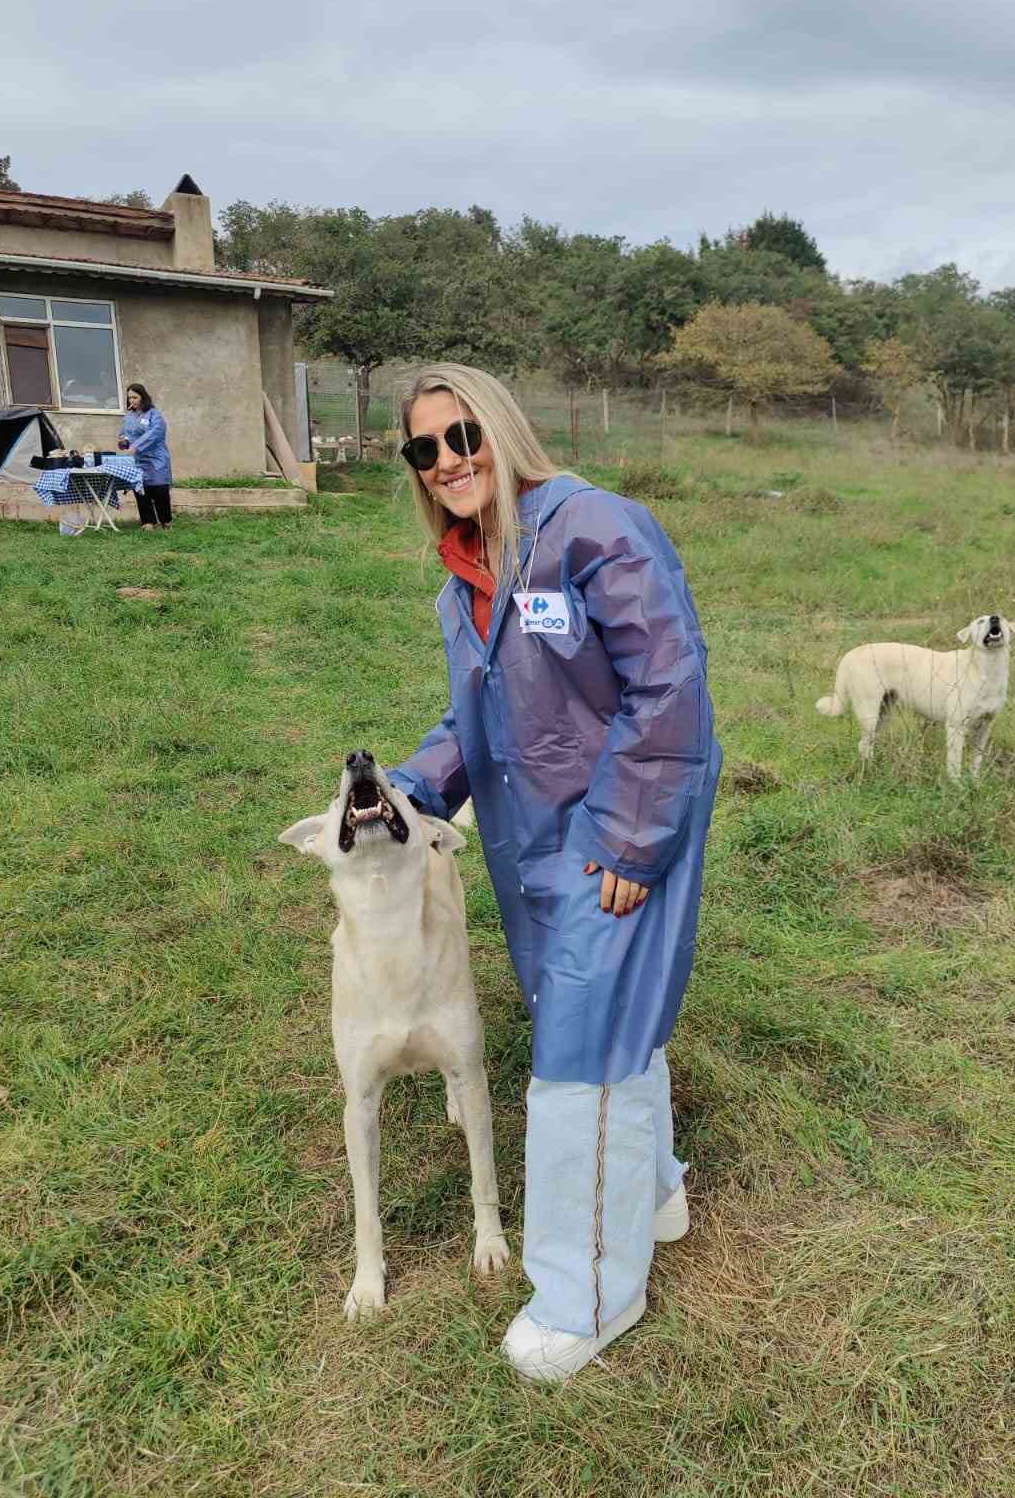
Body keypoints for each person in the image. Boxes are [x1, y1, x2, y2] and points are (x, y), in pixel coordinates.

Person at [387, 365, 722, 1383]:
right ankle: (654, 1193)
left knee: (579, 1053)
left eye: (463, 436)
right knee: (605, 1023)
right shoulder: (466, 577)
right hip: (535, 849)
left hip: (614, 839)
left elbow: (669, 682)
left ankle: (588, 1296)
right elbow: (477, 716)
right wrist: (412, 788)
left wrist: (630, 836)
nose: (448, 462)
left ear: (502, 428)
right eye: (424, 449)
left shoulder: (590, 530)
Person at [117, 384, 173, 529]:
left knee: (160, 489)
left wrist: (136, 446)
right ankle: (148, 522)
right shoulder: (128, 417)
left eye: (135, 397)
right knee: (141, 489)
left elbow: (155, 433)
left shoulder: (154, 414)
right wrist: (123, 442)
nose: (132, 400)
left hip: (156, 459)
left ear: (143, 397)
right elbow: (124, 437)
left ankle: (166, 521)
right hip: (138, 460)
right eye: (129, 398)